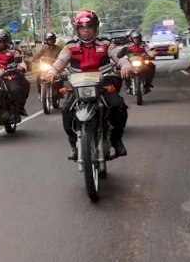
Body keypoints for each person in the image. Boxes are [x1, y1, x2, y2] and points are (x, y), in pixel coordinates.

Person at [45, 10, 132, 160]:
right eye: (82, 28)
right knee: (66, 110)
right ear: (77, 30)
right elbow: (60, 61)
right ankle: (73, 144)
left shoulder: (105, 43)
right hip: (78, 86)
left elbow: (117, 56)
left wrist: (125, 65)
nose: (86, 30)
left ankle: (116, 140)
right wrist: (52, 71)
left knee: (119, 105)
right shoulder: (70, 46)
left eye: (89, 27)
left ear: (95, 28)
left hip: (102, 84)